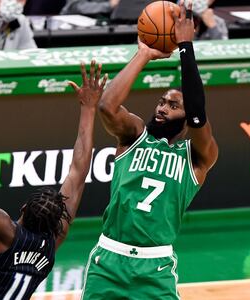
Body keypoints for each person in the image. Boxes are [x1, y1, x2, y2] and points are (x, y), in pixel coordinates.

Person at [0, 61, 107, 299]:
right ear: (59, 221)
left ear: (23, 208)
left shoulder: (4, 230)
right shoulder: (53, 242)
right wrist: (89, 109)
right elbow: (79, 170)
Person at [81, 2, 218, 299]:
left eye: (172, 106)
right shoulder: (133, 136)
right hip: (108, 261)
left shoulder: (196, 158)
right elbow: (106, 106)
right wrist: (143, 53)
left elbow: (197, 114)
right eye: (161, 102)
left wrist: (185, 47)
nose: (161, 109)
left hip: (155, 268)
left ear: (184, 117)